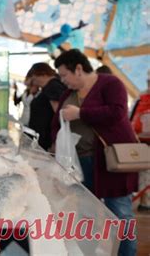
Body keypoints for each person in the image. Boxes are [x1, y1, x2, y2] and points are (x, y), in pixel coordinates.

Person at [51, 49, 138, 256]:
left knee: (120, 213)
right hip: (80, 164)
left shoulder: (110, 84)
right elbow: (56, 121)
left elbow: (117, 112)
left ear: (79, 69)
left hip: (109, 161)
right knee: (85, 214)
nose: (63, 81)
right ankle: (87, 252)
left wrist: (80, 113)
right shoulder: (68, 93)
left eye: (65, 75)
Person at [27, 62, 66, 151]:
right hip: (42, 138)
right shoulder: (47, 87)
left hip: (47, 141)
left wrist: (55, 141)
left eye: (34, 77)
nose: (34, 81)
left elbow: (59, 115)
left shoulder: (52, 86)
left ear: (43, 74)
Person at [130, 73, 150, 212]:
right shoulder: (141, 97)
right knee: (144, 172)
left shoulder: (141, 97)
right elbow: (131, 116)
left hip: (140, 140)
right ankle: (145, 201)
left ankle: (145, 201)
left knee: (145, 172)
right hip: (141, 141)